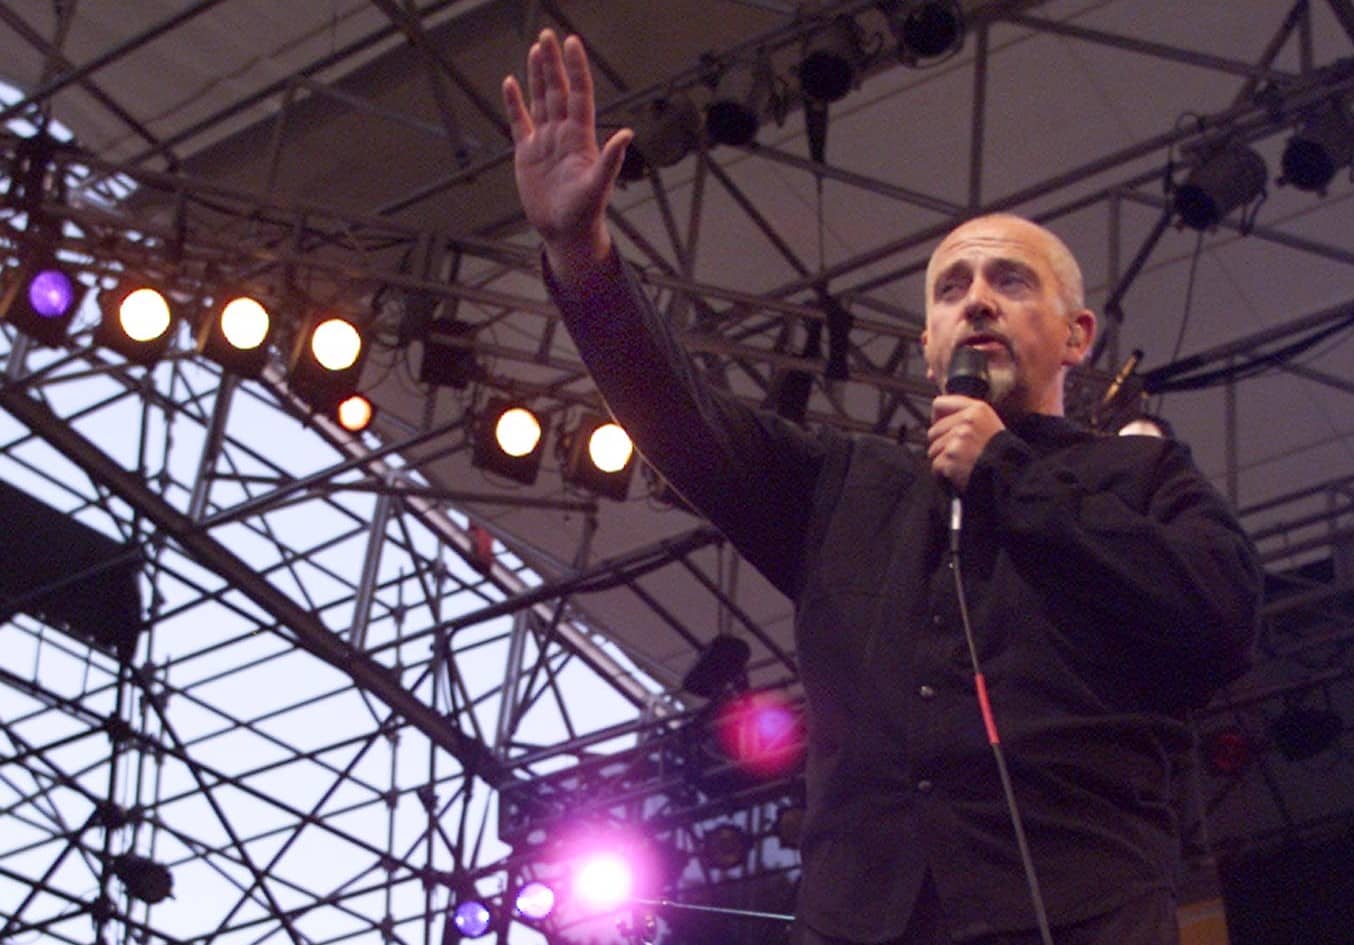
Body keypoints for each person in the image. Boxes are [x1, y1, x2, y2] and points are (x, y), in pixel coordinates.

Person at [502, 30, 1260, 945]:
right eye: (951, 290)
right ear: (928, 345)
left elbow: (1220, 618)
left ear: (1077, 335)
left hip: (1077, 913)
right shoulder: (847, 486)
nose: (975, 299)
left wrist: (1008, 473)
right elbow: (687, 422)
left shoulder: (1141, 477)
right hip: (858, 922)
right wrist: (584, 262)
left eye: (1009, 281)